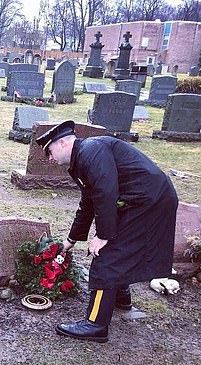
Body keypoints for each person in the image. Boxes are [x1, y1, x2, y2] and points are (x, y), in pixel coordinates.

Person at [35, 121, 178, 343]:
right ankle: (121, 297)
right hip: (144, 200)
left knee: (107, 257)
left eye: (49, 152)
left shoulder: (91, 151)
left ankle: (95, 324)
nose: (50, 159)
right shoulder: (82, 158)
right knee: (119, 251)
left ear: (62, 143)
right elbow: (89, 202)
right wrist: (71, 240)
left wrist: (102, 236)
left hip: (148, 201)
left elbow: (106, 192)